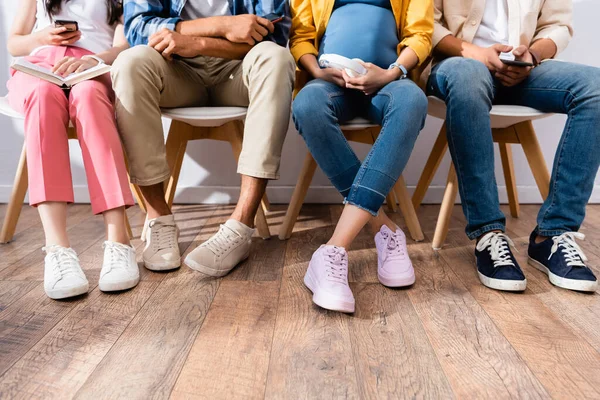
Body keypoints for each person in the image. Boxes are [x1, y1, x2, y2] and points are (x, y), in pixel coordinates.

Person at [112, 0, 295, 277]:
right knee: (129, 63)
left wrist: (198, 43)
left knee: (276, 59)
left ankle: (242, 224)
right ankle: (158, 217)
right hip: (175, 67)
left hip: (238, 66)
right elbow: (137, 29)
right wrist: (219, 25)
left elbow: (275, 34)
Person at [428, 0, 599, 292]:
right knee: (469, 76)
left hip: (522, 72)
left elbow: (558, 26)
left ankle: (553, 234)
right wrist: (477, 54)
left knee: (594, 88)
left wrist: (531, 55)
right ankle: (488, 234)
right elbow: (422, 23)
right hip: (458, 64)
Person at [290, 0, 433, 312]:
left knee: (413, 102)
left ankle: (333, 249)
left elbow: (420, 35)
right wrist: (318, 71)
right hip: (330, 82)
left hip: (387, 82)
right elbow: (300, 36)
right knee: (306, 106)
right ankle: (384, 227)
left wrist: (390, 74)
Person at [7, 0, 139, 300]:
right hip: (40, 65)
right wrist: (43, 38)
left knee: (90, 97)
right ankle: (58, 250)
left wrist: (93, 60)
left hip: (94, 66)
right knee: (42, 96)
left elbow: (124, 45)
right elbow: (15, 43)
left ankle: (119, 243)